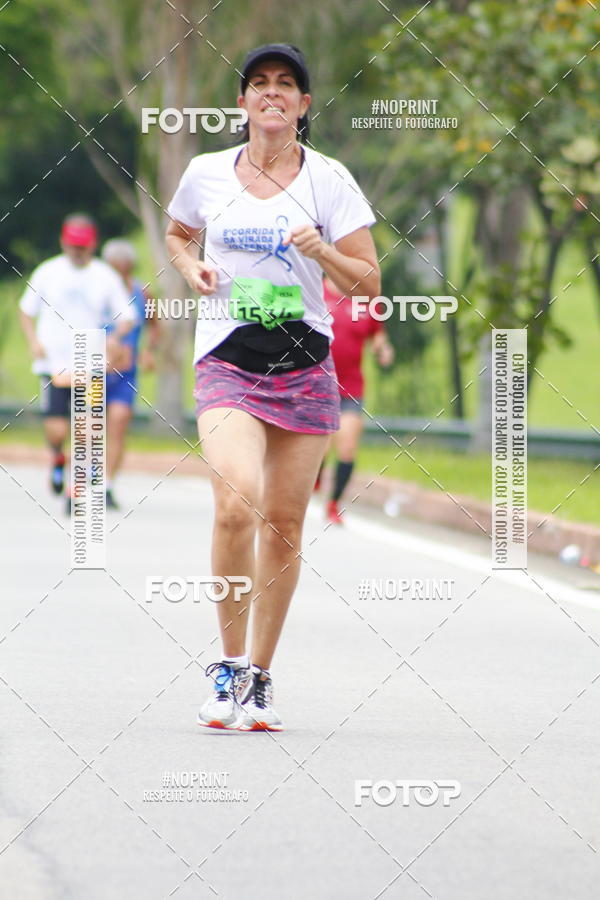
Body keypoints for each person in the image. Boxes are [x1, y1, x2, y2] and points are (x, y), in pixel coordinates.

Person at [166, 43, 380, 731]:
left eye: (286, 84)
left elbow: (369, 284)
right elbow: (177, 234)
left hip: (306, 364)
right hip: (227, 358)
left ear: (304, 105)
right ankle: (226, 668)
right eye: (259, 83)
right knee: (236, 504)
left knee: (285, 526)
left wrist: (321, 251)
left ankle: (260, 677)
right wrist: (190, 266)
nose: (272, 93)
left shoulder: (330, 180)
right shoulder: (205, 174)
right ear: (243, 102)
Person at [19, 214, 137, 514]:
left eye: (82, 247)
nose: (77, 252)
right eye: (72, 246)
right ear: (63, 242)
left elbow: (127, 317)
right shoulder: (48, 271)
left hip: (90, 363)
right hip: (53, 364)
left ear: (92, 245)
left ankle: (75, 491)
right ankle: (58, 456)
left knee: (85, 430)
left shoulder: (104, 276)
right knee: (58, 429)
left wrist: (114, 338)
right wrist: (33, 341)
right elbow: (26, 310)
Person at [318, 275, 394, 524]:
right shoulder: (314, 291)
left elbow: (378, 336)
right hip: (315, 385)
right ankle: (313, 478)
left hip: (350, 387)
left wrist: (383, 350)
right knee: (320, 447)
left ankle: (333, 503)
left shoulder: (368, 300)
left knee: (348, 445)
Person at [101, 239, 160, 509]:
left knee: (119, 422)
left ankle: (108, 485)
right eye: (114, 268)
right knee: (89, 427)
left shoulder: (142, 292)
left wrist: (148, 351)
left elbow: (154, 326)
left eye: (124, 269)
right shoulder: (96, 290)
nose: (119, 274)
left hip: (126, 373)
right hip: (96, 370)